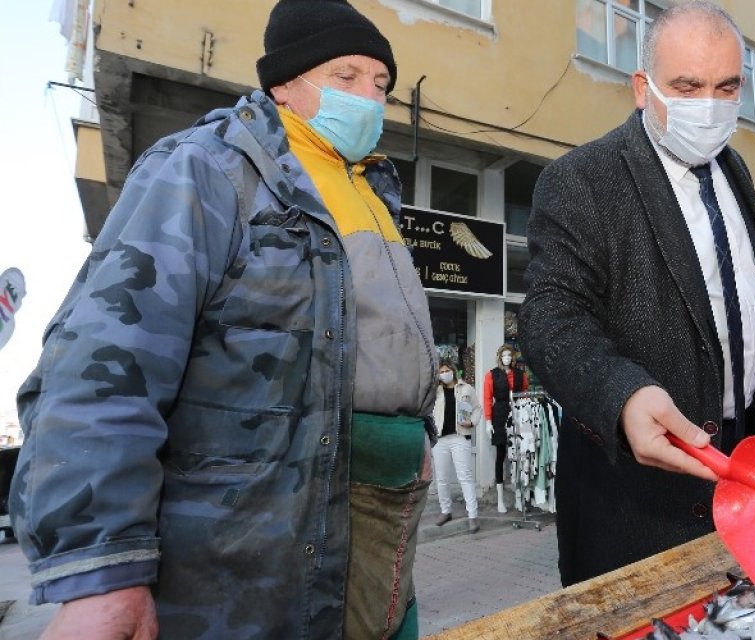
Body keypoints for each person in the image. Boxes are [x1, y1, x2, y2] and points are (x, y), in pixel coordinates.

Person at [9, 0, 439, 637]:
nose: (368, 99)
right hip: (244, 552)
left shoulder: (372, 191)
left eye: (380, 85)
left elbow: (383, 341)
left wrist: (418, 432)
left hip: (378, 524)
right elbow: (102, 368)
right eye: (346, 77)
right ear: (284, 84)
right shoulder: (206, 170)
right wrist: (105, 571)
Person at [519, 1, 755, 587]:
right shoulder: (583, 180)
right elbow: (550, 316)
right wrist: (621, 396)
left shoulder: (736, 174)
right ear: (643, 88)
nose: (709, 105)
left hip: (751, 494)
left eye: (726, 87)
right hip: (640, 512)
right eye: (687, 85)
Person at [432, 361, 483, 533]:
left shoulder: (466, 388)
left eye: (447, 370)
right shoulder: (435, 391)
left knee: (465, 477)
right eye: (442, 371)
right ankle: (446, 511)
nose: (445, 373)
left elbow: (477, 409)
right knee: (442, 478)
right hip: (440, 440)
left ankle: (473, 515)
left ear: (453, 371)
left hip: (460, 437)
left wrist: (472, 421)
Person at [483, 344, 528, 513]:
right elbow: (487, 399)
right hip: (499, 415)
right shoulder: (491, 375)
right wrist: (488, 422)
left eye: (510, 355)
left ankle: (518, 496)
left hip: (518, 414)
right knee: (501, 455)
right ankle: (500, 499)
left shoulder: (521, 374)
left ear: (513, 357)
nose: (507, 358)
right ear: (500, 357)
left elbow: (525, 395)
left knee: (518, 455)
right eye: (504, 355)